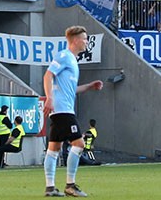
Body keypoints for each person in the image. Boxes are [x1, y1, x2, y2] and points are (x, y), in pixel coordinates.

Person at [43, 26, 104, 198]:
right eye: (84, 38)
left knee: (54, 148)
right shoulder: (64, 56)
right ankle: (70, 185)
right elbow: (48, 75)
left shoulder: (72, 61)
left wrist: (89, 86)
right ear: (76, 40)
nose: (86, 42)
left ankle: (50, 188)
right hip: (63, 110)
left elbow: (70, 89)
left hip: (61, 110)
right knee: (79, 144)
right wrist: (49, 98)